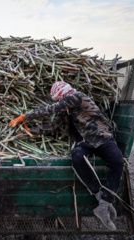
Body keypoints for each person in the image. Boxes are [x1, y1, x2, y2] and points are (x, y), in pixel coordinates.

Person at [9, 81, 124, 230]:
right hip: (84, 142)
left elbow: (51, 109)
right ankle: (99, 195)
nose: (58, 102)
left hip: (102, 137)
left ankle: (105, 204)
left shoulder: (77, 96)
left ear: (63, 95)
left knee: (117, 161)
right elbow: (53, 126)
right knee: (77, 158)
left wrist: (25, 116)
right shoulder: (66, 108)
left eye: (58, 99)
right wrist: (31, 131)